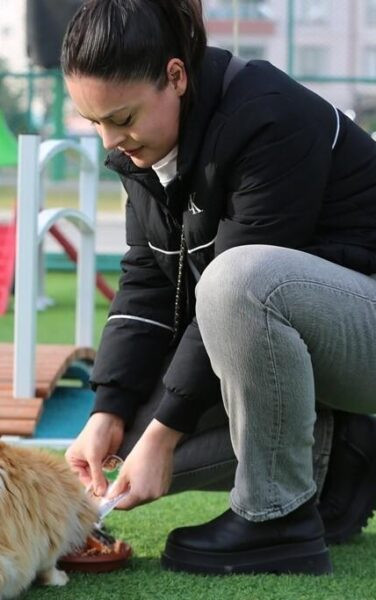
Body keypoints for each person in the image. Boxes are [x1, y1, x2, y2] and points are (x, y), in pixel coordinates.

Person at [61, 0, 376, 575]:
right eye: (96, 122)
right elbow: (147, 283)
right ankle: (337, 467)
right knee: (122, 435)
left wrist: (167, 434)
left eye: (123, 118)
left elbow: (237, 293)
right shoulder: (148, 148)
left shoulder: (267, 115)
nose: (111, 140)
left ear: (176, 76)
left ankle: (276, 518)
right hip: (328, 355)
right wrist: (107, 409)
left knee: (239, 280)